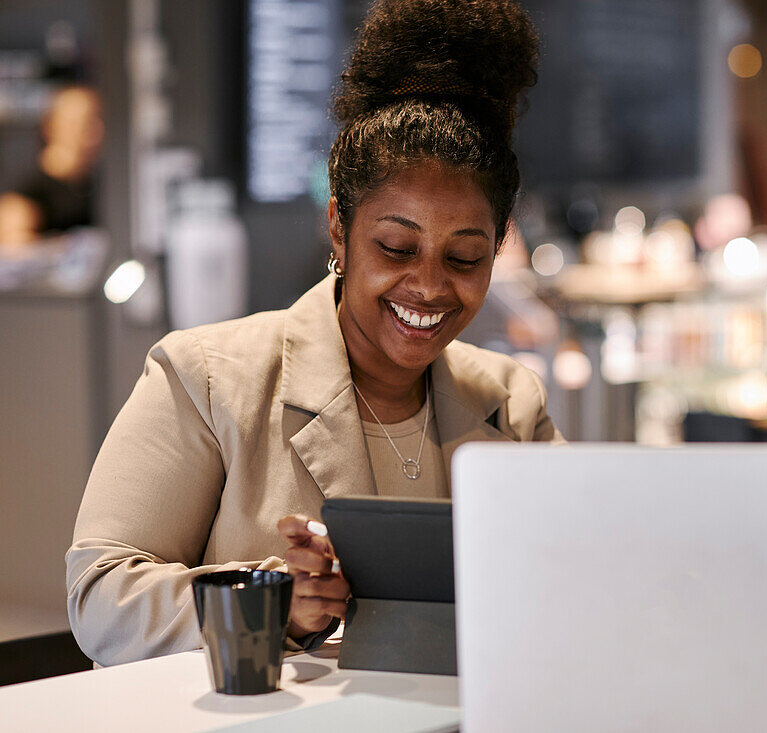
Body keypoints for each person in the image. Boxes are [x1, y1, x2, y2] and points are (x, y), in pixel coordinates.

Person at [66, 0, 560, 667]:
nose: (429, 285)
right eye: (395, 247)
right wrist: (270, 600)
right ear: (339, 227)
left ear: (499, 247)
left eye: (465, 257)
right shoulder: (207, 377)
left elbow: (566, 574)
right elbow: (100, 597)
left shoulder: (510, 402)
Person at [0, 85, 102, 248]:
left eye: (98, 120)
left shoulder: (98, 186)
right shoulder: (28, 190)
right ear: (51, 126)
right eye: (83, 123)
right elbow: (13, 247)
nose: (95, 132)